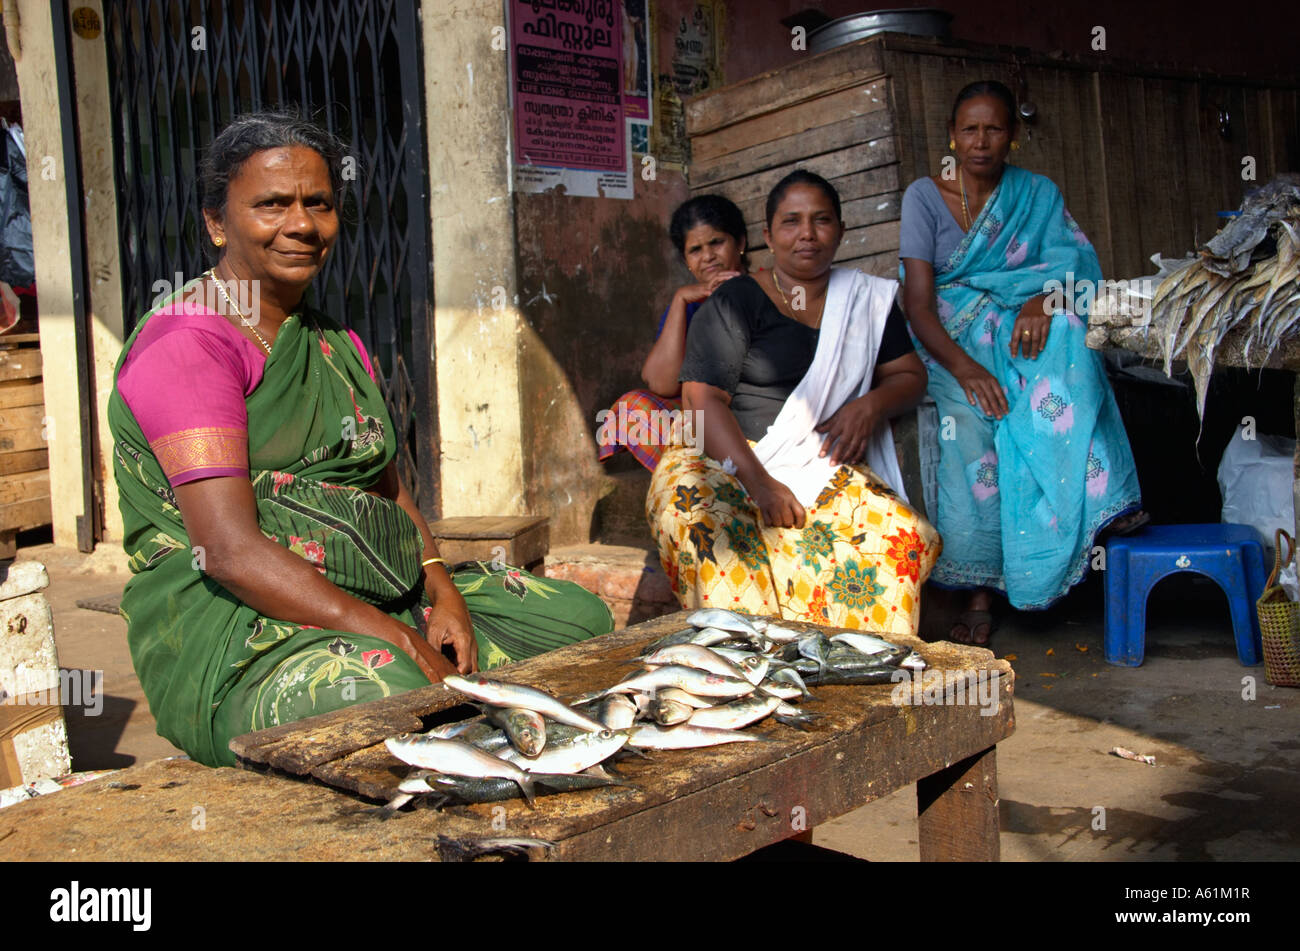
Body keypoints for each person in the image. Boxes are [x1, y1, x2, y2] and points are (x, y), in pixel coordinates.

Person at [108, 112, 612, 767]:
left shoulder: (336, 343)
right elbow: (229, 551)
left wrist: (443, 592)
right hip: (237, 629)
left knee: (580, 620)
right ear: (215, 222)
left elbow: (387, 487)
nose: (301, 223)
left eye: (318, 203)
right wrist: (401, 642)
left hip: (378, 592)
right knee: (392, 693)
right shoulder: (190, 344)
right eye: (271, 204)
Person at [899, 80, 1146, 645]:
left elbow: (1075, 265)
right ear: (952, 137)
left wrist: (1043, 298)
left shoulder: (1036, 193)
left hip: (1016, 327)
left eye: (994, 129)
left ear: (1013, 137)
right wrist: (967, 369)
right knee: (974, 422)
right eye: (969, 130)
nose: (980, 141)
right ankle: (980, 589)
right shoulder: (923, 197)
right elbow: (917, 303)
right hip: (949, 338)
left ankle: (1098, 503)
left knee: (1068, 330)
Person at [647, 170, 941, 637]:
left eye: (822, 220)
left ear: (841, 231)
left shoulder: (866, 301)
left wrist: (869, 406)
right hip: (720, 456)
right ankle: (747, 675)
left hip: (818, 458)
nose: (807, 233)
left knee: (898, 537)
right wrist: (760, 483)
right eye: (791, 222)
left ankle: (850, 666)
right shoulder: (736, 299)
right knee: (718, 545)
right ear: (767, 236)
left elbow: (910, 376)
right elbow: (702, 400)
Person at [597, 194, 747, 471]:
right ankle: (705, 484)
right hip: (707, 422)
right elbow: (662, 385)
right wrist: (680, 300)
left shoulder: (766, 290)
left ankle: (733, 481)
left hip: (759, 416)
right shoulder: (688, 304)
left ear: (740, 243)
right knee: (632, 408)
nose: (708, 257)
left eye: (717, 242)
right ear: (686, 260)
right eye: (696, 250)